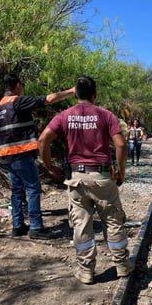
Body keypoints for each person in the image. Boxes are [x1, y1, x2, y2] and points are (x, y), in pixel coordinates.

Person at [38, 76, 134, 284]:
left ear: (75, 94)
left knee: (81, 225)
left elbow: (43, 139)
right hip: (101, 176)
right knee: (113, 220)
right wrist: (121, 170)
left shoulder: (64, 116)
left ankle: (86, 271)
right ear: (95, 95)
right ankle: (122, 265)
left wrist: (48, 165)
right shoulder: (106, 115)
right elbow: (121, 145)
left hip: (76, 178)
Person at [0, 74, 75, 239]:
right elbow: (48, 99)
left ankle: (18, 226)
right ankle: (36, 227)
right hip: (21, 154)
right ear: (17, 86)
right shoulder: (18, 101)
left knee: (17, 191)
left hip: (6, 156)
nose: (23, 89)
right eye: (22, 86)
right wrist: (71, 91)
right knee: (33, 188)